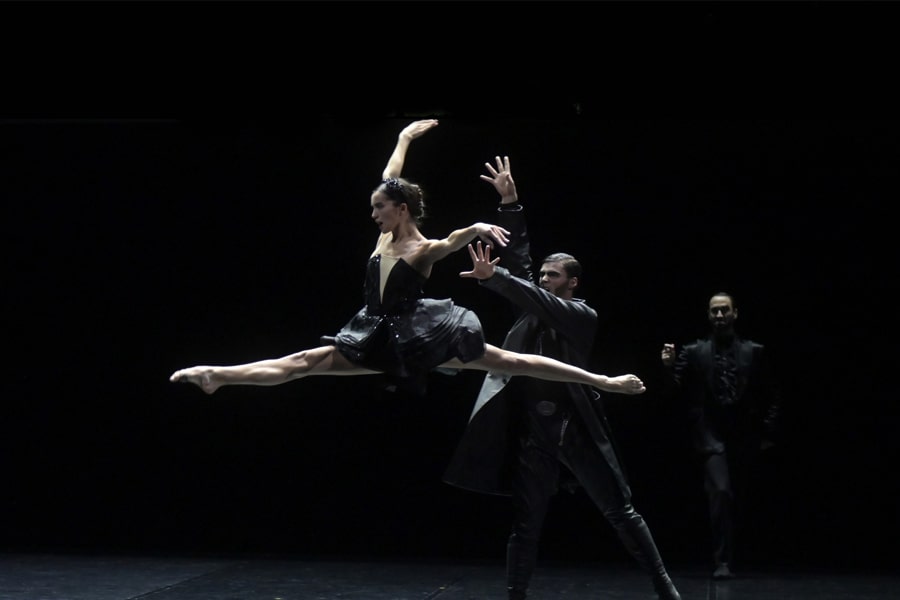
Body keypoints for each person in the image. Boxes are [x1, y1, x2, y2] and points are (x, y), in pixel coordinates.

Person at [170, 120, 648, 402]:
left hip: (421, 337)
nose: (373, 212)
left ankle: (601, 379)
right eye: (374, 206)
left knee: (515, 361)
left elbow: (455, 238)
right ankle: (217, 376)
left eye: (380, 207)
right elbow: (390, 175)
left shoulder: (422, 248)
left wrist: (482, 227)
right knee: (301, 361)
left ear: (401, 210)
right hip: (372, 333)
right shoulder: (384, 230)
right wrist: (403, 137)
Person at [443, 156, 681, 600]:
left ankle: (665, 588)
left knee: (620, 511)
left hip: (574, 425)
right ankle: (516, 594)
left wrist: (497, 278)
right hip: (534, 430)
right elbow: (519, 260)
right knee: (525, 524)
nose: (546, 281)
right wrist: (510, 202)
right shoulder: (530, 311)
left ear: (572, 284)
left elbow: (525, 285)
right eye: (545, 275)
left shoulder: (580, 315)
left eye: (554, 276)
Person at [660, 291, 782, 580]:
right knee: (721, 492)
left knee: (740, 496)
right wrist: (667, 368)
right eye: (714, 311)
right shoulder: (694, 351)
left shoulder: (754, 351)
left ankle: (746, 556)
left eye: (724, 310)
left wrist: (768, 431)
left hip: (745, 435)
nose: (719, 316)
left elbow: (773, 393)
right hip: (710, 437)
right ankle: (722, 561)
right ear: (708, 315)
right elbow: (672, 392)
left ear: (734, 313)